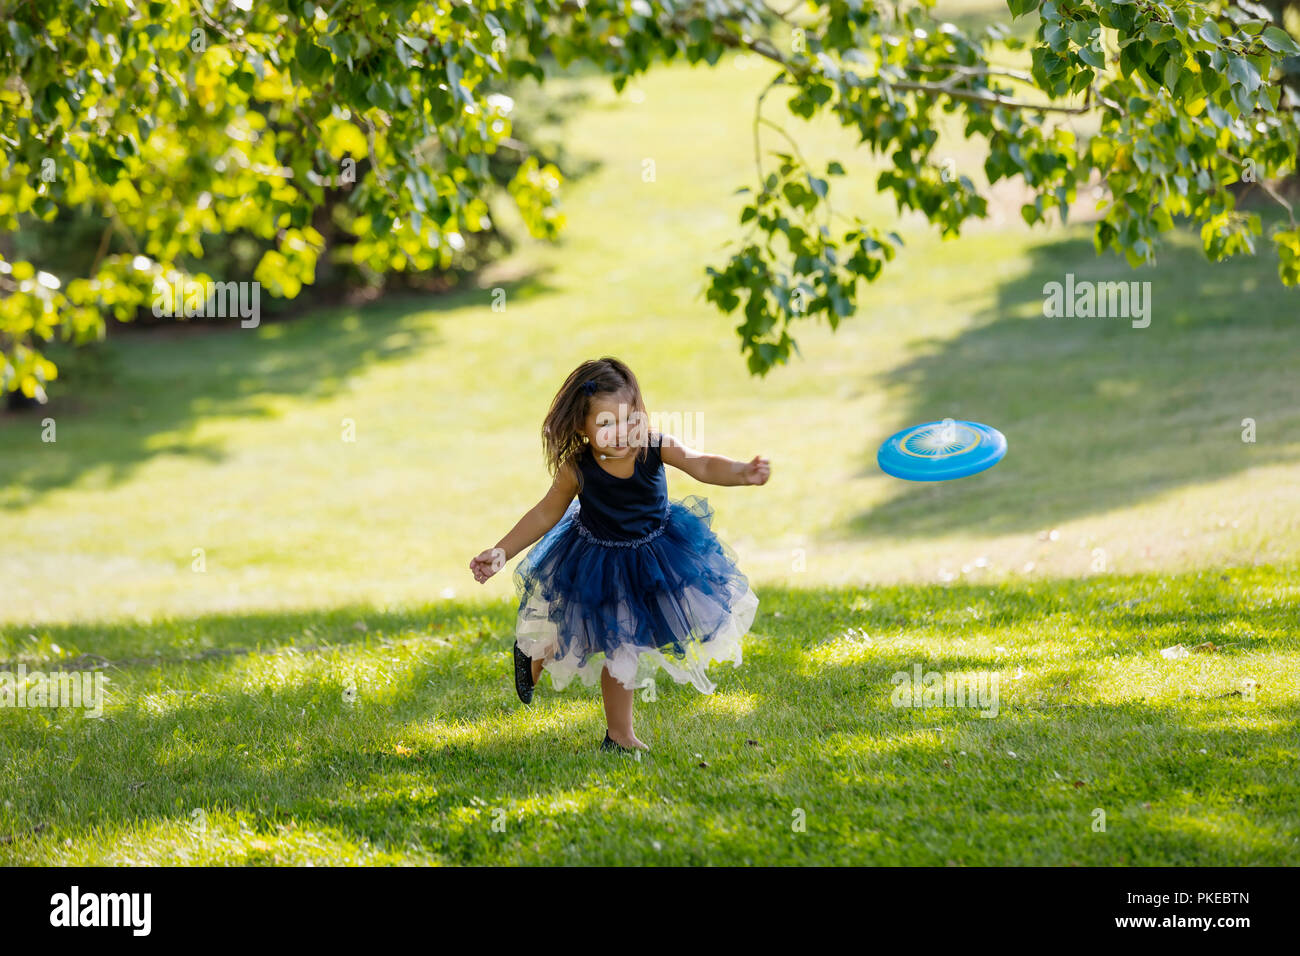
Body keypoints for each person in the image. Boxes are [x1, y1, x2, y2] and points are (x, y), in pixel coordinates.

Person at [469, 357, 770, 752]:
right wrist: (502, 551)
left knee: (625, 639)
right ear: (582, 427)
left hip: (657, 554)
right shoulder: (576, 469)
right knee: (613, 638)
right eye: (605, 424)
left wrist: (741, 472)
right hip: (598, 560)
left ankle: (612, 731)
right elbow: (545, 512)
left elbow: (701, 462)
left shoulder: (654, 447)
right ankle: (544, 662)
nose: (622, 432)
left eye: (629, 419)